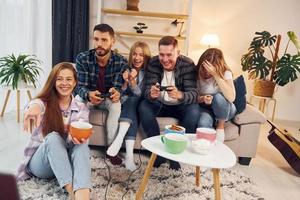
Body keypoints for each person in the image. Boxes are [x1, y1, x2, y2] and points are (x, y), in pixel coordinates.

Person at [17, 62, 91, 200]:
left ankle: (83, 197)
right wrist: (33, 107)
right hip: (42, 164)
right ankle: (73, 195)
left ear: (75, 82)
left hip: (65, 161)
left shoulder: (81, 108)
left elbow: (82, 127)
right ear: (53, 81)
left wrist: (77, 138)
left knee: (82, 146)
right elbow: (36, 103)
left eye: (69, 79)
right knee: (53, 138)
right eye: (59, 79)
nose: (64, 83)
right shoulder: (43, 103)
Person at [138, 36, 200, 170]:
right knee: (143, 106)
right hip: (159, 104)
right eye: (161, 55)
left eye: (169, 55)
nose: (165, 60)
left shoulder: (188, 64)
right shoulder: (154, 63)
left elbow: (194, 95)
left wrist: (180, 95)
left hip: (180, 105)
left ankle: (175, 153)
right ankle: (158, 152)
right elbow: (147, 91)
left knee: (194, 110)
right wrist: (151, 94)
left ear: (178, 53)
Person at [75, 23, 128, 165]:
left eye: (104, 40)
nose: (99, 44)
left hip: (107, 99)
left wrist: (117, 93)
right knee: (78, 100)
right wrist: (88, 95)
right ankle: (77, 144)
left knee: (116, 105)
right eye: (96, 39)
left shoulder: (121, 61)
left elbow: (118, 87)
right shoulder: (83, 58)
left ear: (112, 41)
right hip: (89, 97)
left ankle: (112, 150)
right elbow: (80, 86)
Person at [106, 41, 151, 171]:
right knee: (131, 101)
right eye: (135, 54)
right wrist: (125, 83)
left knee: (136, 102)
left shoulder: (148, 73)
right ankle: (129, 157)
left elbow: (140, 94)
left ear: (146, 57)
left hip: (140, 105)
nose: (137, 58)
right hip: (125, 103)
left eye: (141, 55)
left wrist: (132, 82)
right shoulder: (123, 68)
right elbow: (119, 93)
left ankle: (120, 142)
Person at [196, 48, 236, 142]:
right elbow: (193, 98)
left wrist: (215, 75)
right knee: (203, 123)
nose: (206, 72)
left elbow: (231, 98)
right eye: (204, 68)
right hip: (207, 108)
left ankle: (220, 126)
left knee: (218, 97)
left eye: (210, 69)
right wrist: (203, 98)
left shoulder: (225, 73)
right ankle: (207, 149)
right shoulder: (196, 73)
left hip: (226, 109)